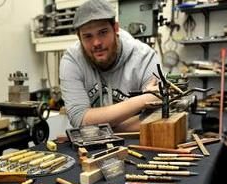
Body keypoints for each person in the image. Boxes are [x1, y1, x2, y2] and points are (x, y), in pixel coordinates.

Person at [59, 0, 161, 132]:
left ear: (115, 29)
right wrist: (145, 99)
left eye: (103, 32)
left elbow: (160, 116)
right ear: (79, 38)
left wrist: (104, 127)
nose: (96, 43)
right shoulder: (72, 61)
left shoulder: (145, 57)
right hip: (90, 148)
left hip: (138, 145)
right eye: (88, 36)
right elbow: (79, 119)